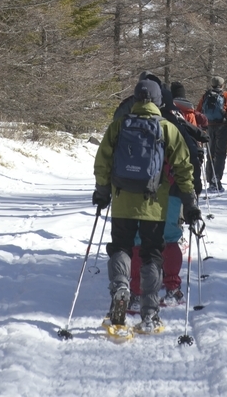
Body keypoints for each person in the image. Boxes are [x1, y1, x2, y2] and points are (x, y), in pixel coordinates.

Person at [93, 78, 201, 334]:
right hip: (154, 205)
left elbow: (103, 161)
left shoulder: (119, 125)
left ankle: (121, 288)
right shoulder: (167, 128)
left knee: (121, 247)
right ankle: (150, 313)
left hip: (122, 202)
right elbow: (184, 167)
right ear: (158, 101)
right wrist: (190, 201)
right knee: (152, 253)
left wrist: (102, 191)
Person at [197, 75, 227, 191]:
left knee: (210, 153)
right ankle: (216, 179)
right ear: (222, 85)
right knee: (220, 153)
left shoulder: (206, 95)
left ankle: (210, 180)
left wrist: (200, 125)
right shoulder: (226, 95)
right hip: (222, 126)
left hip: (208, 126)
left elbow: (198, 111)